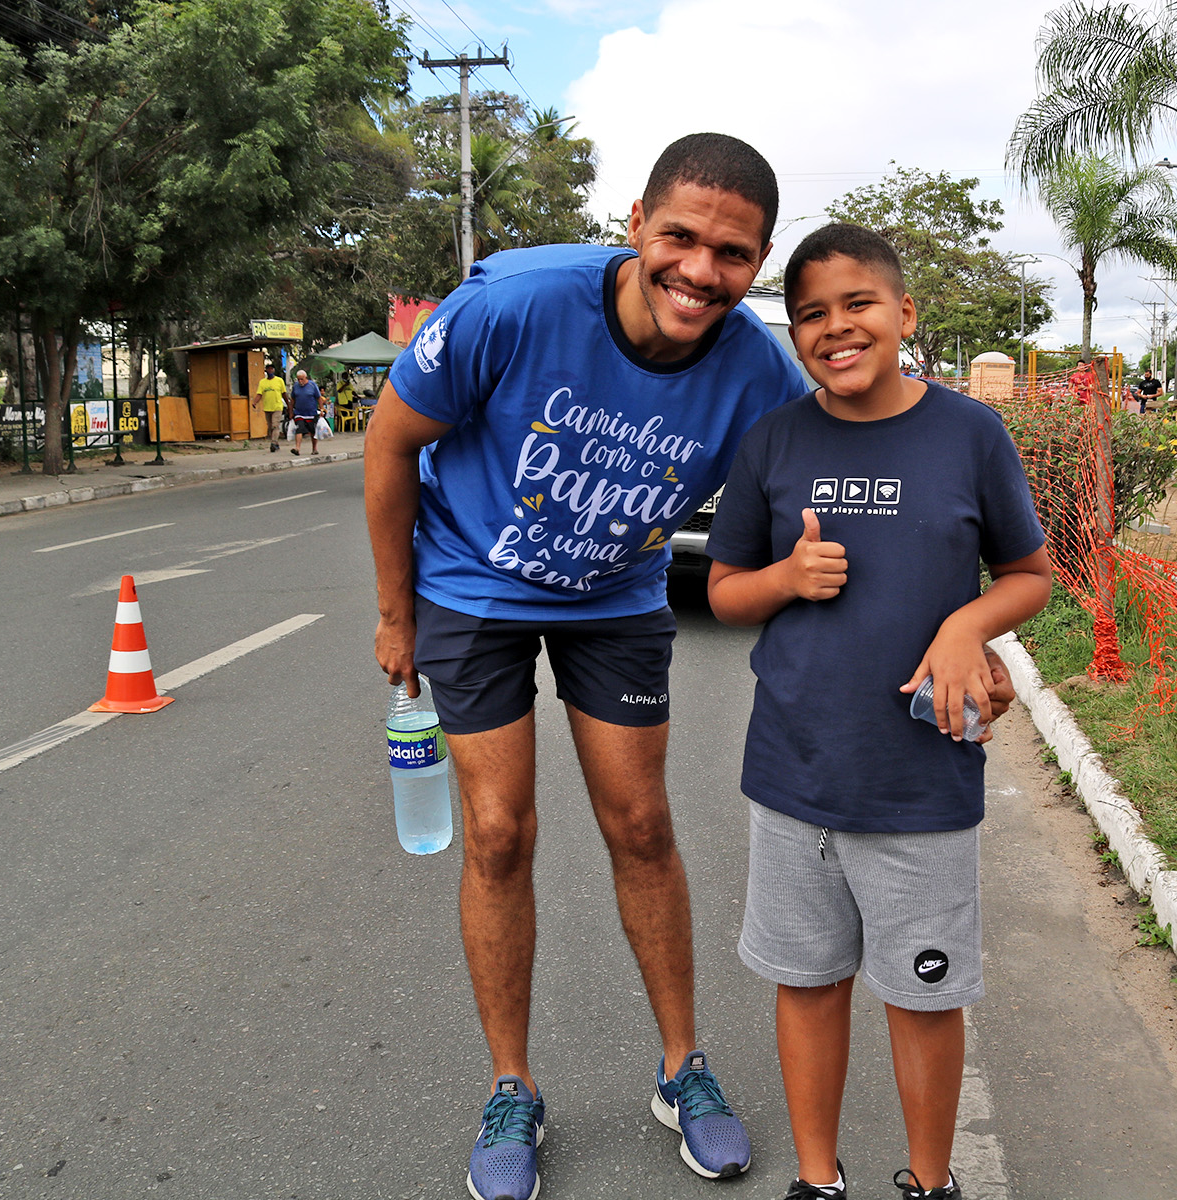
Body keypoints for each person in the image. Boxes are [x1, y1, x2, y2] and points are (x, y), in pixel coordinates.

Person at [366, 134, 1023, 1200]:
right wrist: (396, 614)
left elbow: (870, 483)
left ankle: (683, 1069)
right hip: (472, 585)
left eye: (732, 254)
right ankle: (510, 1086)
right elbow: (392, 440)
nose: (700, 271)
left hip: (616, 596)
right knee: (496, 832)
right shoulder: (514, 305)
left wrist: (969, 631)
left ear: (757, 261)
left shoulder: (760, 373)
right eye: (679, 237)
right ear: (635, 223)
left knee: (640, 824)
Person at [703, 223, 1053, 1200]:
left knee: (923, 997)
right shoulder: (773, 441)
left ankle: (931, 1183)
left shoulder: (969, 434)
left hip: (920, 780)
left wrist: (966, 626)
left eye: (857, 303)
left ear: (904, 312)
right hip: (794, 776)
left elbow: (1029, 574)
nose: (836, 327)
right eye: (810, 313)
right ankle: (817, 1179)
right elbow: (724, 592)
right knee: (807, 985)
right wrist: (784, 577)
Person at [253, 359, 287, 452]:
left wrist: (288, 404)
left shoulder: (279, 381)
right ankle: (276, 443)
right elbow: (259, 394)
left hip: (277, 407)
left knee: (275, 425)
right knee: (270, 426)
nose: (270, 371)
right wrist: (255, 402)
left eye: (271, 369)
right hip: (267, 407)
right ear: (266, 371)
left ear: (274, 370)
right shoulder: (262, 382)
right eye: (268, 369)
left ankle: (273, 443)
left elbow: (284, 393)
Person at [288, 369, 322, 456]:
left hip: (311, 413)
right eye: (298, 379)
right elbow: (292, 400)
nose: (300, 381)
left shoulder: (312, 385)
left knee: (313, 432)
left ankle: (314, 448)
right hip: (299, 413)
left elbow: (319, 398)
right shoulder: (296, 386)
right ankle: (297, 448)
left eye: (302, 379)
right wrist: (291, 411)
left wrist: (321, 409)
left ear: (305, 377)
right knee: (299, 429)